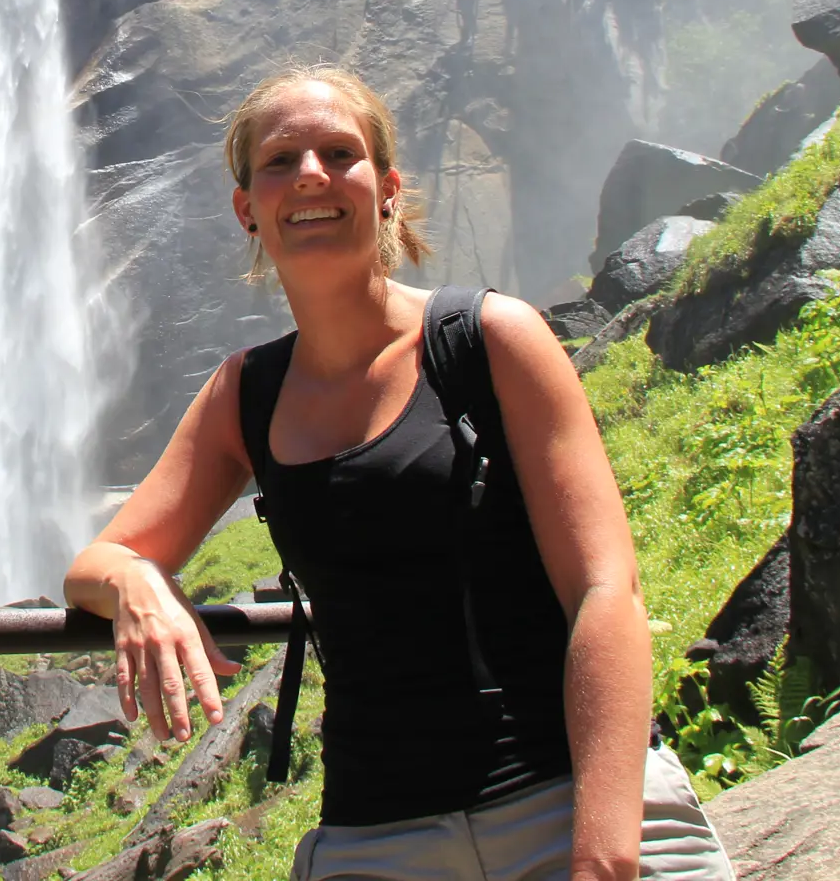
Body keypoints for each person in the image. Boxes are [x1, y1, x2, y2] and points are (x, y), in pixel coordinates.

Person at [64, 66, 735, 881]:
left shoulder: (490, 339)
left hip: (565, 803)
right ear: (247, 208)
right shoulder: (246, 394)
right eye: (279, 161)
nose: (310, 173)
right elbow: (98, 561)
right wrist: (139, 585)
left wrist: (601, 852)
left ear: (385, 188)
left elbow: (606, 591)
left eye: (338, 153)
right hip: (377, 837)